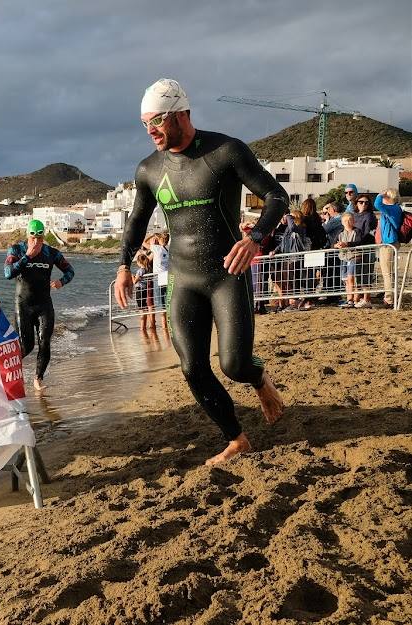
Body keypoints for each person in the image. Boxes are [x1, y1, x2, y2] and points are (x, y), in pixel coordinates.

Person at [114, 78, 286, 466]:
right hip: (183, 277)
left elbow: (277, 195)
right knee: (192, 367)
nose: (151, 130)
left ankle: (259, 380)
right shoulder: (149, 170)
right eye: (144, 124)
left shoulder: (225, 151)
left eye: (156, 120)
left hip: (227, 273)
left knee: (235, 365)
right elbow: (136, 222)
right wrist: (123, 266)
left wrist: (255, 238)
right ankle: (236, 438)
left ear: (181, 113)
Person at [4, 219, 74, 391]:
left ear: (43, 237)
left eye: (40, 238)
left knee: (45, 342)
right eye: (33, 238)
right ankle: (7, 371)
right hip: (23, 304)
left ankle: (38, 379)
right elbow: (8, 273)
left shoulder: (52, 253)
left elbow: (70, 271)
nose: (36, 242)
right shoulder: (17, 250)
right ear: (27, 236)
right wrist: (27, 256)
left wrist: (61, 282)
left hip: (44, 304)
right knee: (26, 346)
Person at [374, 188, 402, 307]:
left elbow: (377, 204)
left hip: (389, 243)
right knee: (388, 271)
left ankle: (389, 298)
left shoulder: (392, 208)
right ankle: (390, 295)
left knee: (387, 272)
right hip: (389, 242)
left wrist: (381, 195)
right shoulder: (394, 209)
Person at [349, 196, 377, 308]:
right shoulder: (354, 215)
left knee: (366, 272)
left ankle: (367, 299)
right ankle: (359, 297)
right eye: (361, 202)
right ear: (357, 203)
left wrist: (352, 243)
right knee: (358, 273)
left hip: (366, 247)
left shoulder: (370, 216)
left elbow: (366, 234)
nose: (364, 204)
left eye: (366, 202)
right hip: (357, 248)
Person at [335, 212, 360, 307]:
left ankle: (354, 299)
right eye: (345, 220)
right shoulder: (340, 233)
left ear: (353, 221)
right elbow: (332, 243)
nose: (347, 222)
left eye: (350, 220)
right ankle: (349, 298)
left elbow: (359, 241)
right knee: (345, 280)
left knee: (352, 279)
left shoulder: (357, 231)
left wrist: (347, 244)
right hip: (343, 258)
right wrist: (336, 245)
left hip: (353, 257)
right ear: (342, 222)